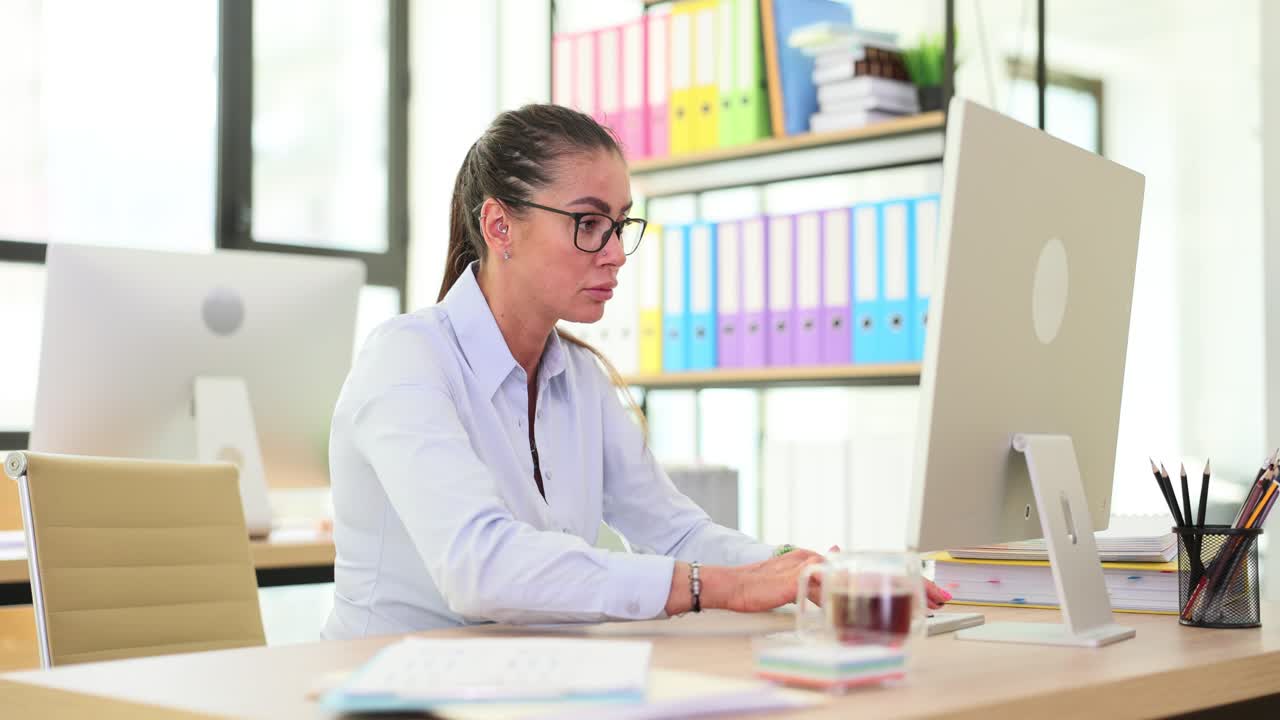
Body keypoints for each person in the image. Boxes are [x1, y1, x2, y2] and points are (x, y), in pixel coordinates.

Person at [322, 104, 950, 639]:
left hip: (521, 686)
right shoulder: (405, 361)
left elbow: (675, 534)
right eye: (589, 224)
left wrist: (804, 571)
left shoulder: (579, 377)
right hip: (387, 691)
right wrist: (720, 587)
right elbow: (479, 568)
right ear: (499, 225)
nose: (617, 253)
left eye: (621, 224)